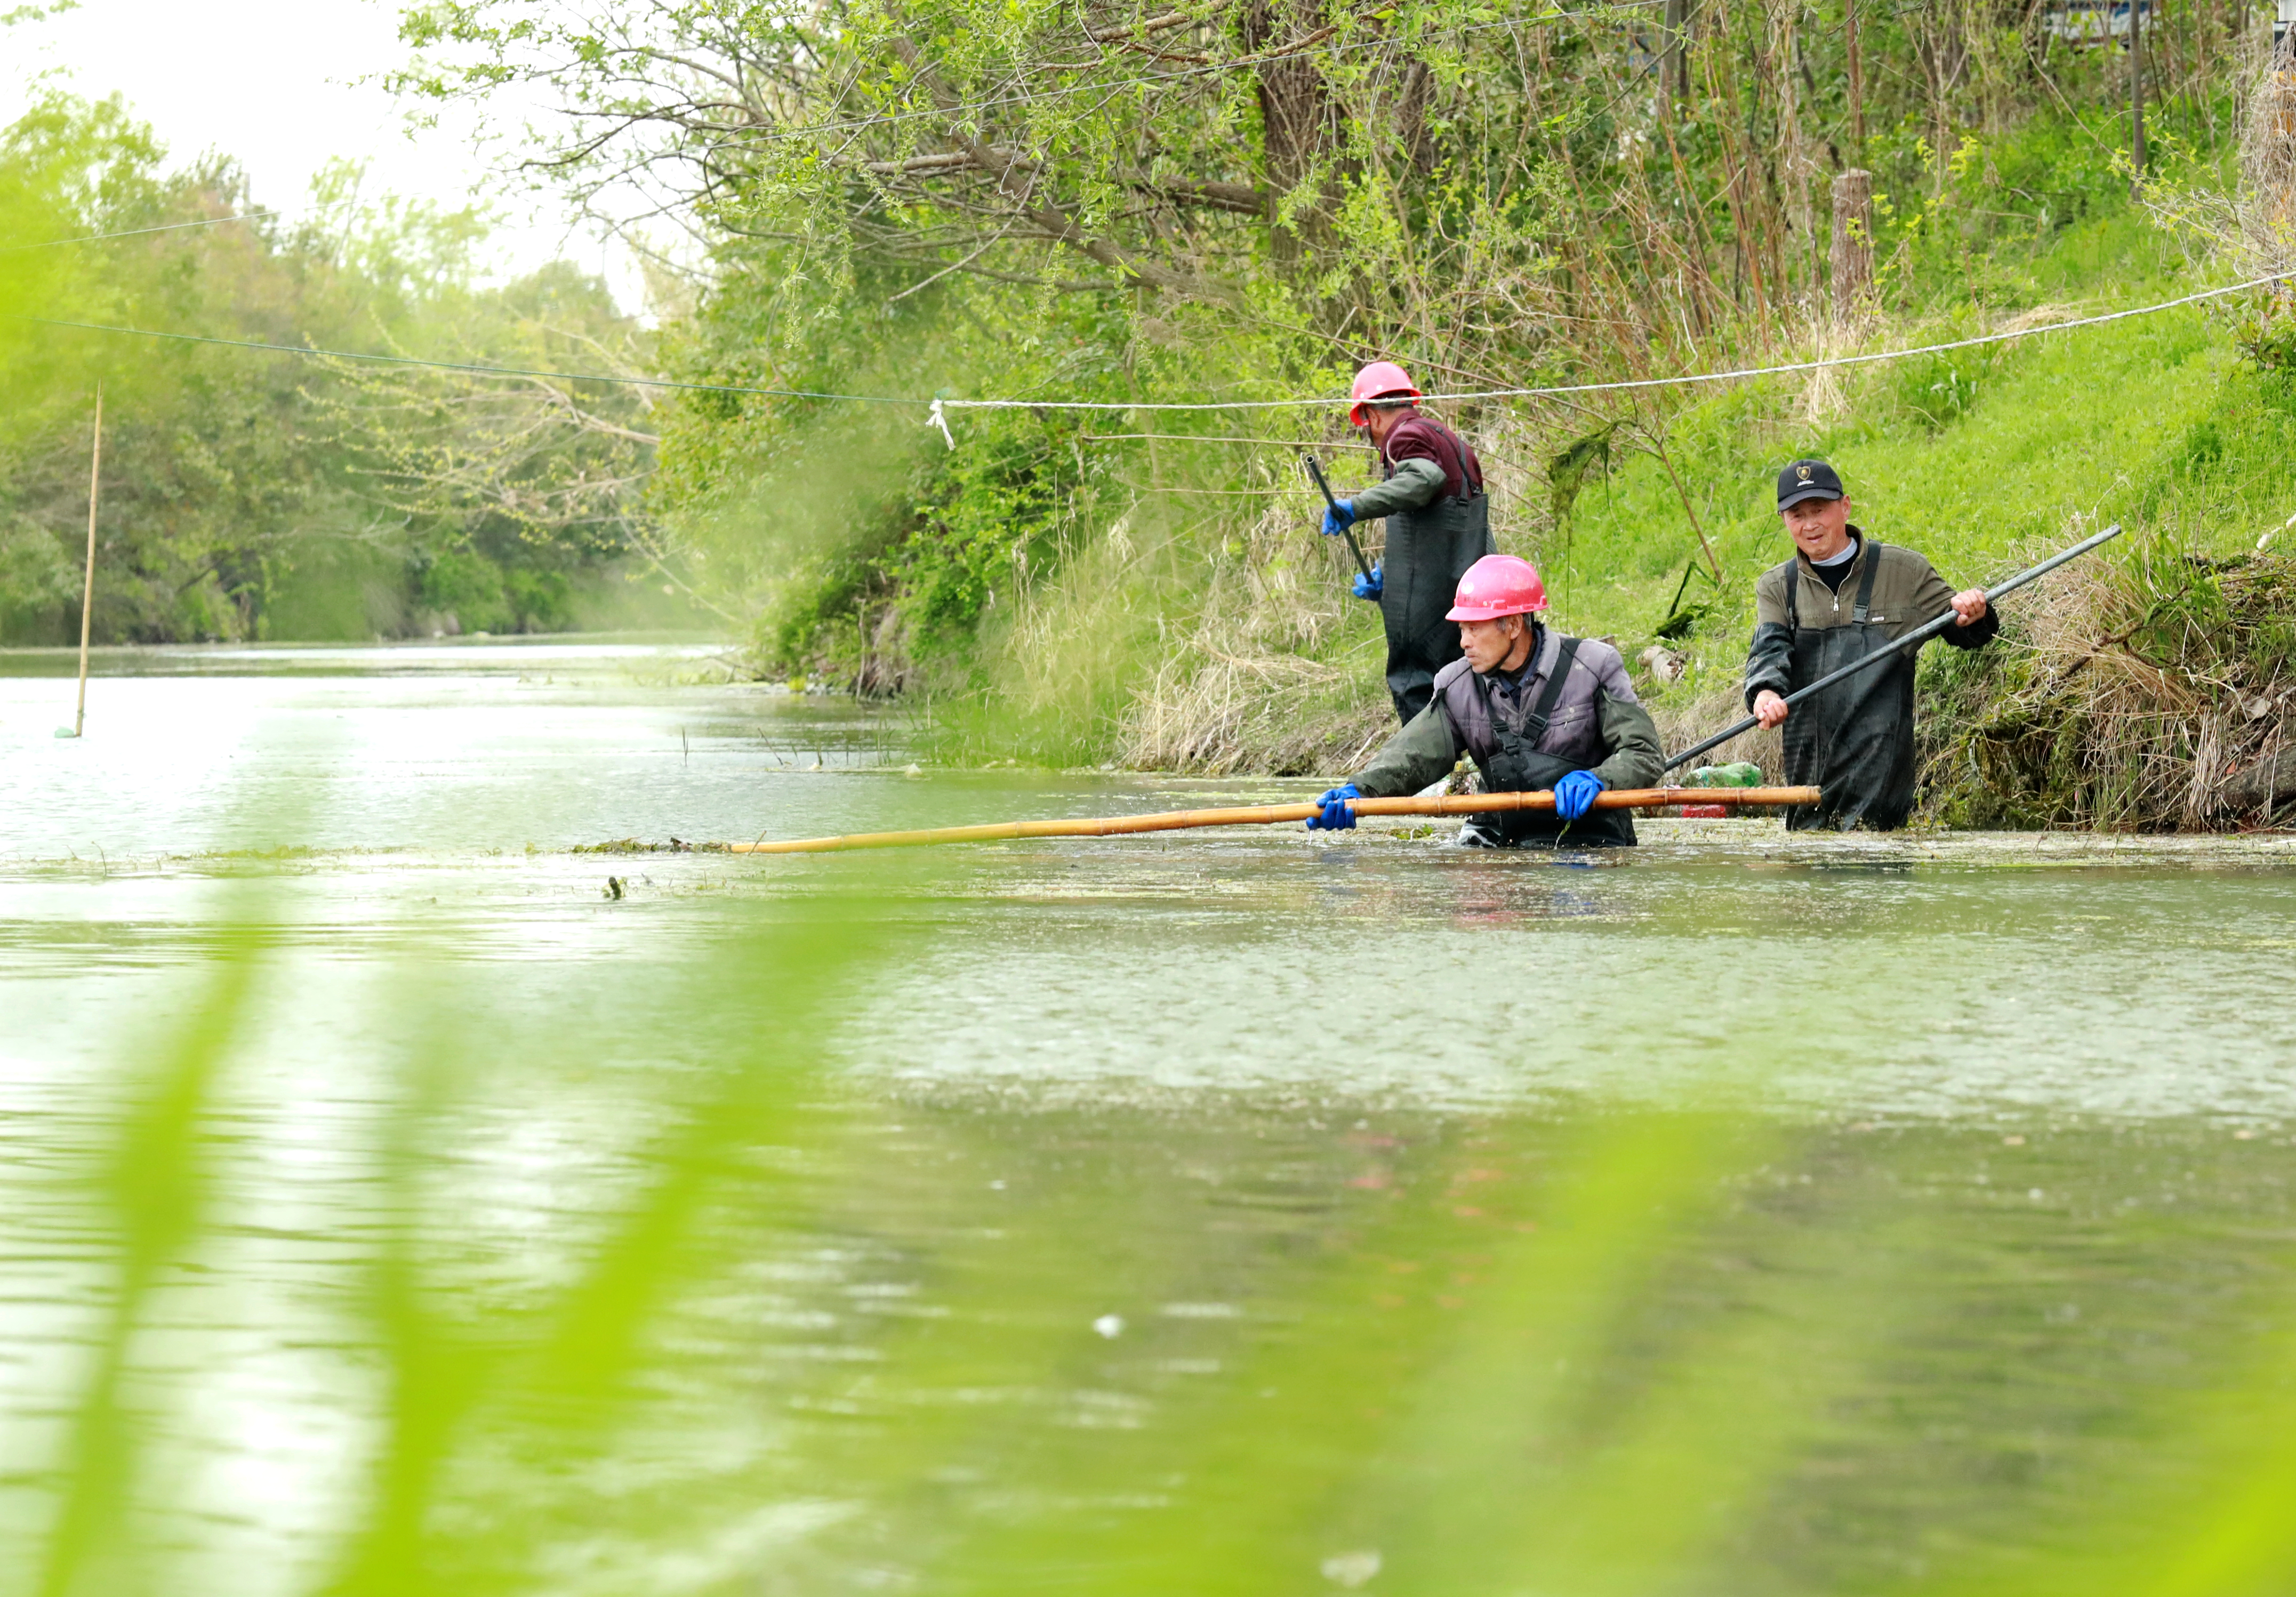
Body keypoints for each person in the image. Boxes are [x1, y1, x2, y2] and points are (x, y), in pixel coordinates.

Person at [1305, 554, 1663, 847]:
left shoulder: (1595, 666)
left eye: (1474, 628)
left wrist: (1600, 779)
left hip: (1591, 839)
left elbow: (1644, 754)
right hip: (1497, 842)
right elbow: (1412, 756)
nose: (1463, 642)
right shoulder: (1457, 684)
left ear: (1513, 625)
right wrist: (1360, 791)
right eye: (1462, 628)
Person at [1743, 459, 1998, 830]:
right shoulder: (1777, 586)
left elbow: (1968, 632)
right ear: (1784, 519)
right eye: (1798, 514)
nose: (1811, 524)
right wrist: (1765, 694)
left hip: (1883, 793)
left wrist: (1975, 612)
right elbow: (1770, 648)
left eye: (1820, 510)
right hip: (1807, 788)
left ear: (1845, 506)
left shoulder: (1906, 572)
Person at [1321, 361, 1497, 723]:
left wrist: (1356, 506)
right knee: (1465, 678)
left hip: (1427, 606)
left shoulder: (1402, 438)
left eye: (1365, 423)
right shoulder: (1452, 441)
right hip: (1467, 587)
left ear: (1370, 414)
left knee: (1415, 682)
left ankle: (1429, 774)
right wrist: (1387, 574)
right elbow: (1441, 522)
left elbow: (1425, 481)